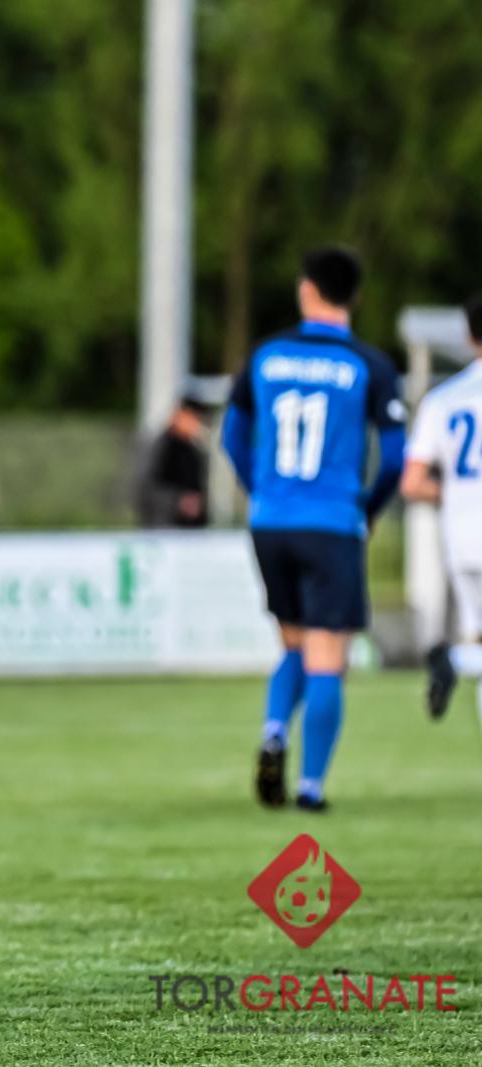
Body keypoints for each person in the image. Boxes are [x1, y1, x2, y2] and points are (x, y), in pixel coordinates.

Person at [221, 247, 406, 812]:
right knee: (329, 654)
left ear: (306, 290)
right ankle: (310, 787)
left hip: (271, 520)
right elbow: (395, 458)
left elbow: (231, 436)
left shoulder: (266, 354)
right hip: (332, 522)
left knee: (294, 642)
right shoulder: (368, 364)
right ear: (355, 296)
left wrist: (262, 491)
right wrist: (367, 508)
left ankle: (275, 728)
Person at [402, 292, 482, 720]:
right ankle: (452, 659)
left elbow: (413, 481)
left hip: (463, 535)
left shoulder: (443, 399)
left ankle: (450, 660)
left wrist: (456, 492)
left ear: (469, 337)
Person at [136, 396, 212, 528]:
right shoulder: (159, 447)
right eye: (194, 418)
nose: (197, 424)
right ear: (179, 415)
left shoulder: (194, 450)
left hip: (191, 530)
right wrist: (178, 502)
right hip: (161, 529)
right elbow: (144, 490)